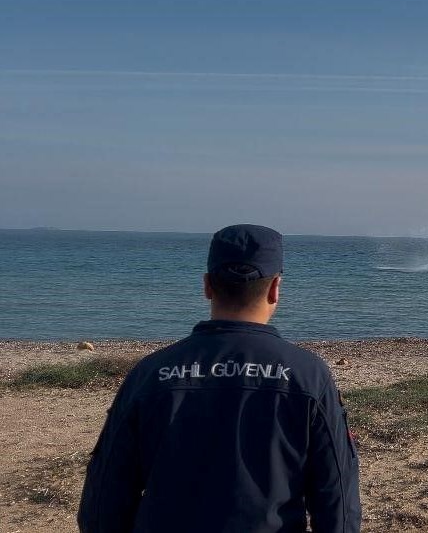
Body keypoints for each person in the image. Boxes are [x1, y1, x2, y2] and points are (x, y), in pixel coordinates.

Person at [77, 224, 362, 533]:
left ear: (208, 286)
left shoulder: (150, 374)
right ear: (275, 288)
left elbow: (103, 500)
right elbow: (337, 499)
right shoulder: (307, 375)